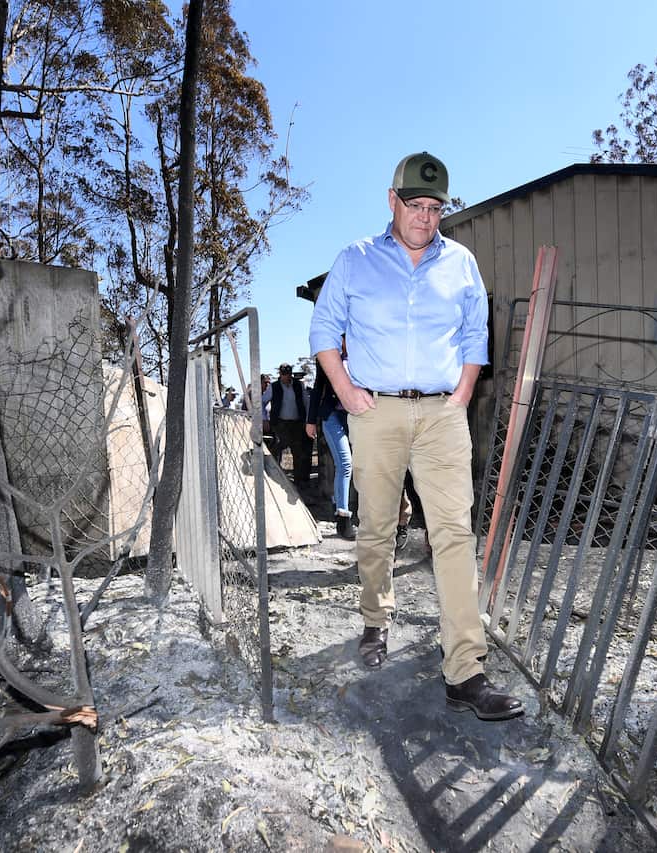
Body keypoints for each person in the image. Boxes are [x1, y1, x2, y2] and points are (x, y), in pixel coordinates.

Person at [308, 151, 523, 722]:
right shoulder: (354, 261)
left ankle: (465, 671)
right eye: (415, 206)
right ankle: (376, 618)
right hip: (375, 413)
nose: (425, 218)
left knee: (453, 532)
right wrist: (348, 392)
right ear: (392, 201)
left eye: (435, 208)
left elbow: (476, 334)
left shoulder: (462, 263)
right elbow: (324, 328)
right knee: (377, 526)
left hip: (441, 416)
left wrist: (461, 395)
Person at [306, 341, 355, 540]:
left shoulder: (364, 356)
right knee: (345, 463)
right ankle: (343, 517)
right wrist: (310, 421)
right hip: (332, 415)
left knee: (360, 466)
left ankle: (338, 502)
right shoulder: (328, 358)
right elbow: (318, 388)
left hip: (356, 416)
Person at [264, 363, 311, 486]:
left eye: (288, 374)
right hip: (280, 423)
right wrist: (264, 419)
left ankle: (298, 481)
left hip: (296, 423)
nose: (286, 377)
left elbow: (306, 402)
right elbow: (262, 402)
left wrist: (307, 420)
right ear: (280, 374)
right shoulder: (274, 387)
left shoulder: (298, 386)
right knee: (281, 443)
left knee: (297, 450)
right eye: (284, 374)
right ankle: (273, 472)